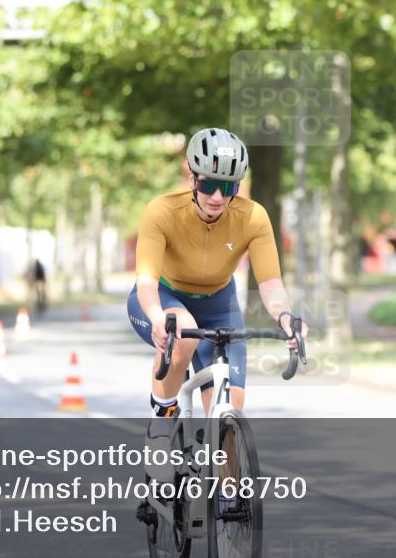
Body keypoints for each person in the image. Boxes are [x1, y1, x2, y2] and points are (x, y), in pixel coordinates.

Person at [127, 128, 307, 456]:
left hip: (219, 304)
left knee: (228, 413)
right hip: (166, 296)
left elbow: (270, 283)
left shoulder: (253, 217)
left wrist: (284, 317)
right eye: (209, 185)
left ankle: (221, 479)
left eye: (228, 188)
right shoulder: (162, 211)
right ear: (192, 177)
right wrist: (156, 316)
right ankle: (162, 426)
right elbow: (147, 282)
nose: (217, 198)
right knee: (182, 334)